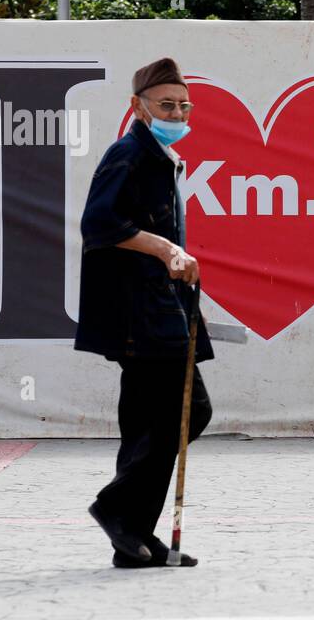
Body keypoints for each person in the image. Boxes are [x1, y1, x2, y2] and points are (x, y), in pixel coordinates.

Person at [75, 57, 214, 568]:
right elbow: (99, 224)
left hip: (164, 307)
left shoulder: (160, 157)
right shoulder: (128, 154)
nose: (177, 113)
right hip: (141, 314)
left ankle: (132, 538)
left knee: (148, 423)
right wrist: (165, 249)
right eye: (166, 105)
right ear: (138, 106)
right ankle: (116, 510)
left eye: (183, 105)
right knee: (187, 412)